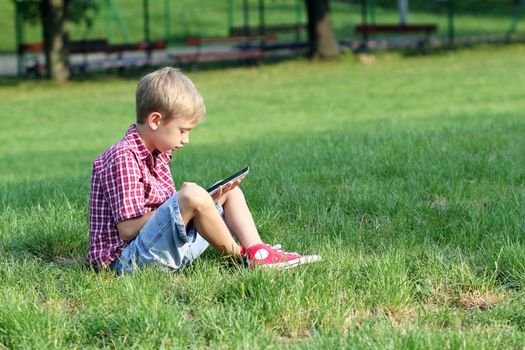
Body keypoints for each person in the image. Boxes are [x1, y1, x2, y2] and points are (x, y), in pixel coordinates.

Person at [86, 67, 321, 273]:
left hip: (154, 249)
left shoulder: (159, 155)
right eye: (183, 130)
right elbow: (127, 230)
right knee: (191, 195)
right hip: (125, 263)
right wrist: (181, 204)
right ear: (156, 121)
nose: (186, 139)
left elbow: (164, 217)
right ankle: (242, 259)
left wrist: (200, 204)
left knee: (229, 192)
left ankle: (258, 251)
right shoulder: (123, 157)